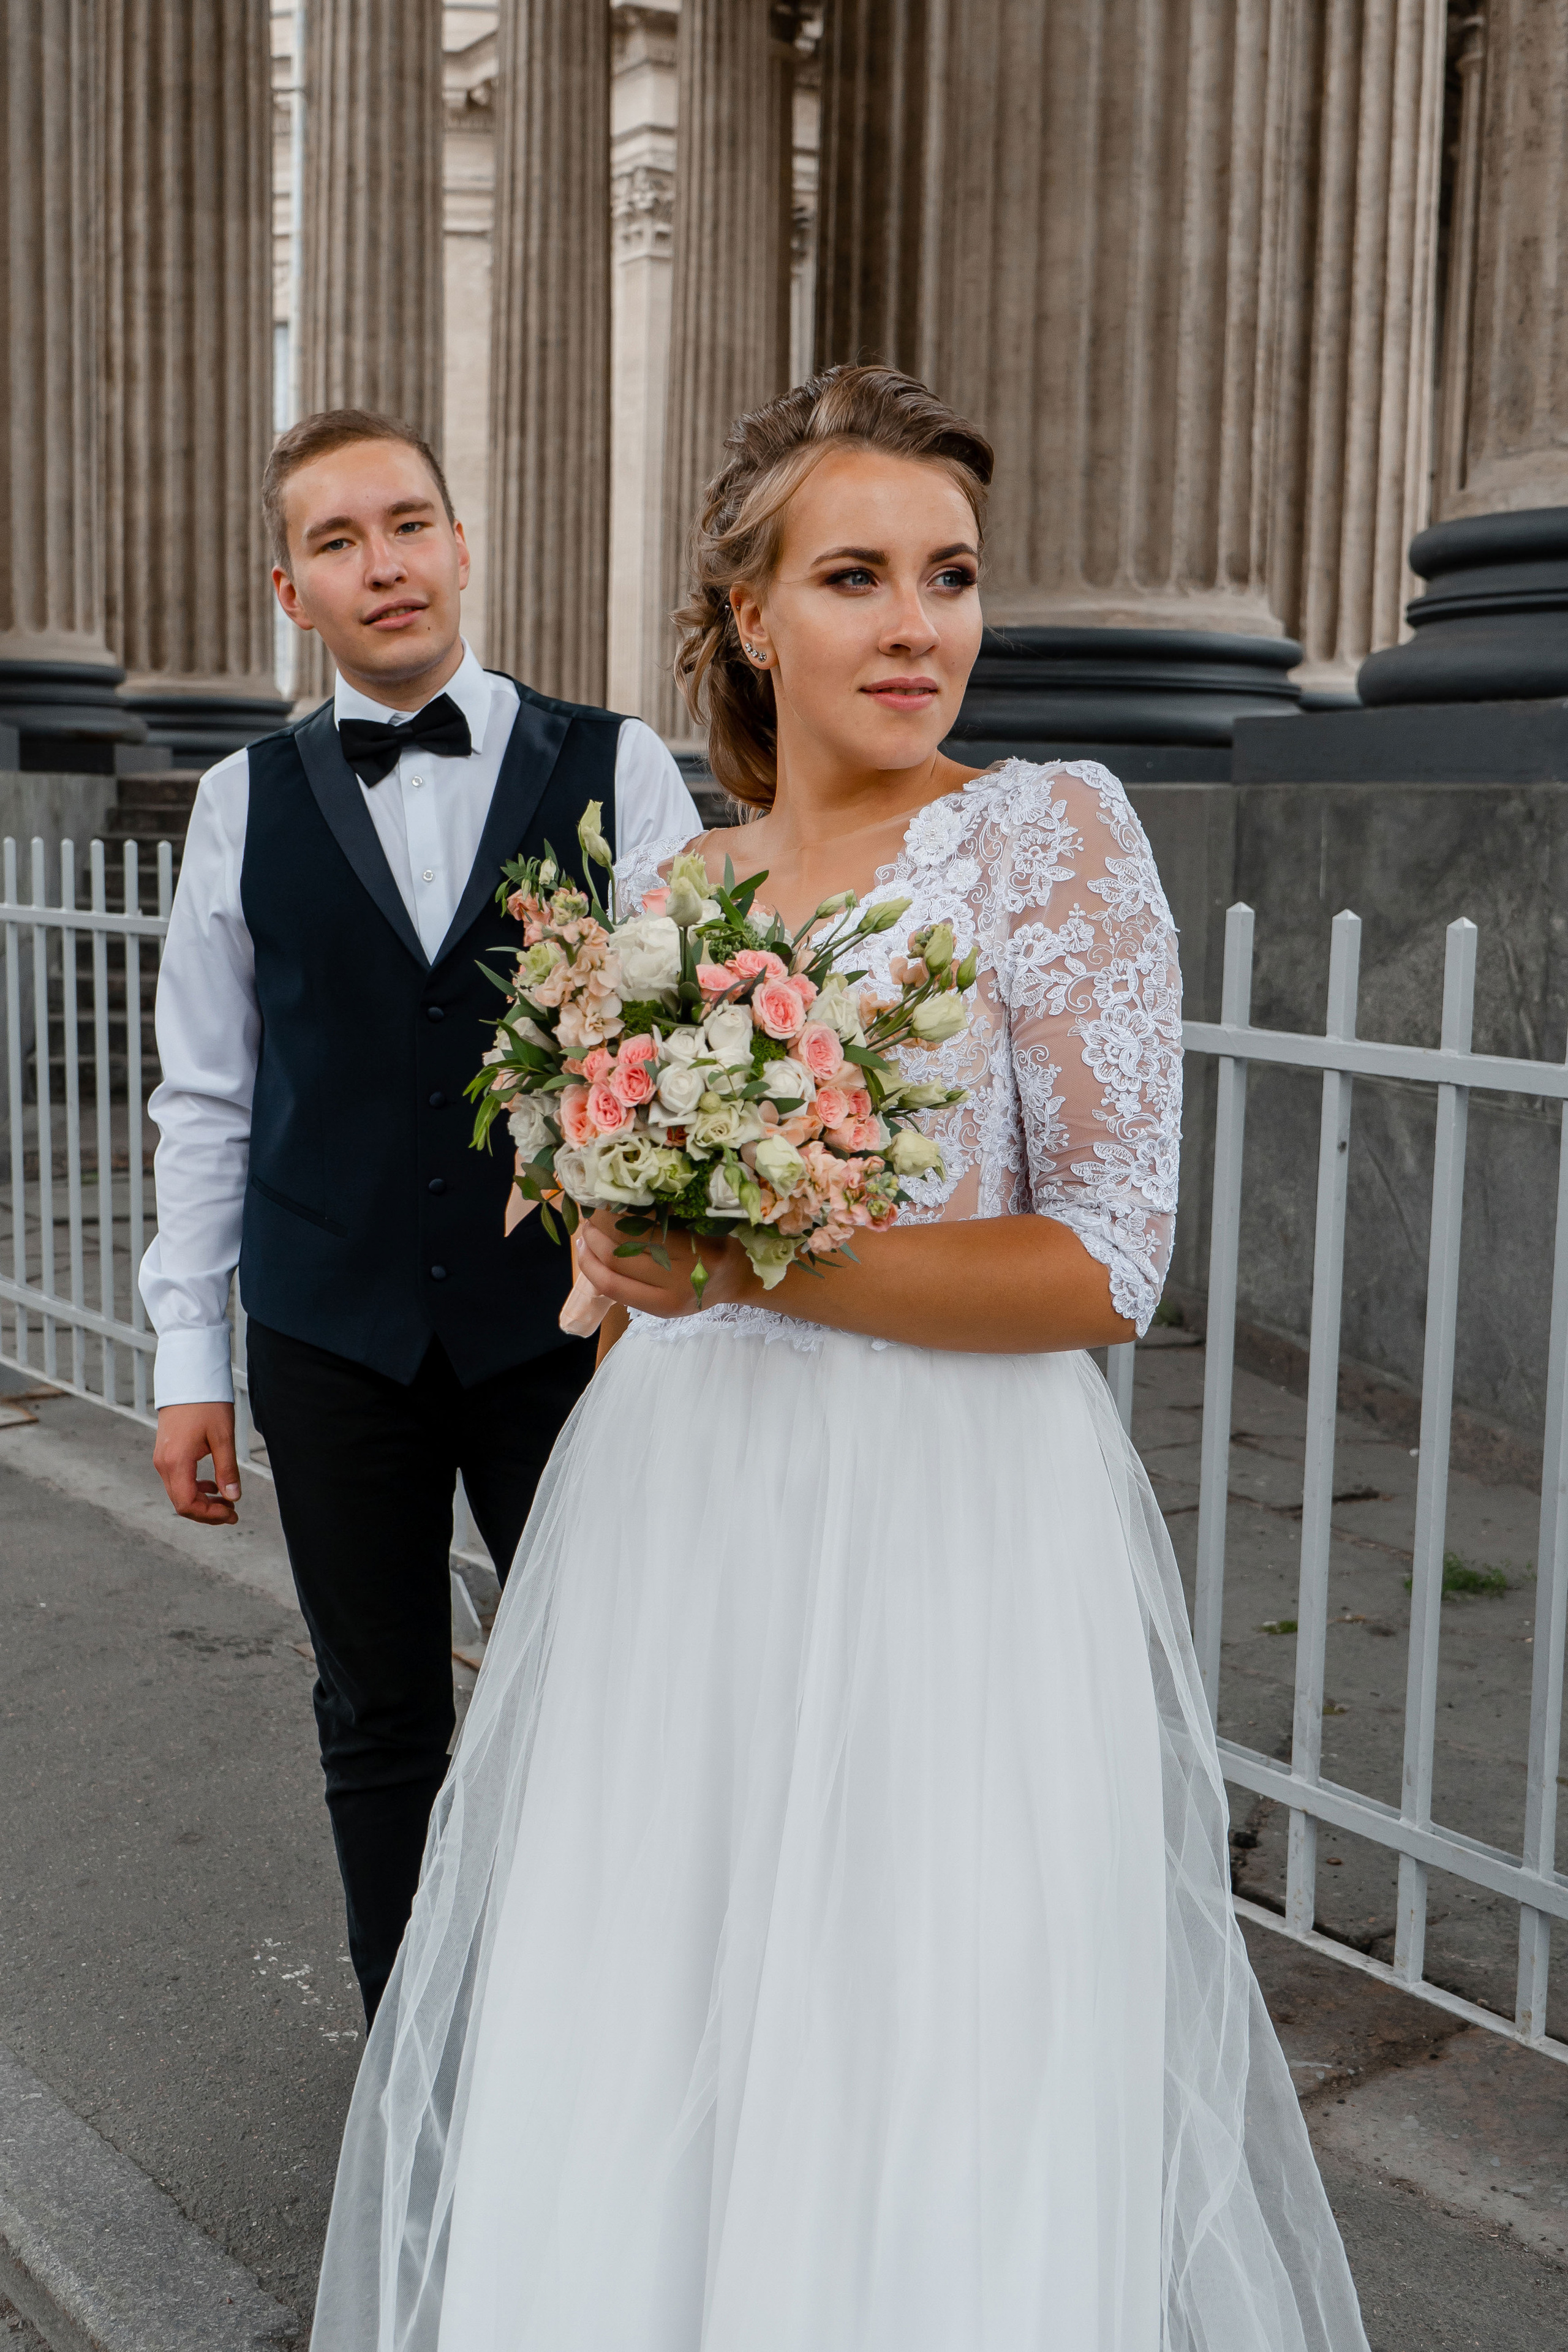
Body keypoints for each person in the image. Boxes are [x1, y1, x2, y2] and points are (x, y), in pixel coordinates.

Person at [310, 367, 1368, 2350]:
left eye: (950, 576)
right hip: (684, 1520)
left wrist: (754, 1266)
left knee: (919, 2024)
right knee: (665, 1994)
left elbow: (1106, 1262)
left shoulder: (1048, 839)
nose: (918, 627)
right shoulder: (679, 893)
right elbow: (644, 1239)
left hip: (946, 1529)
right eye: (857, 576)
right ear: (750, 616)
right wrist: (618, 1257)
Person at [139, 408, 701, 2026]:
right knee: (379, 1711)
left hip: (569, 1334)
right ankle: (411, 2045)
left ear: (461, 544)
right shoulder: (241, 801)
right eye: (336, 541)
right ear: (291, 589)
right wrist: (189, 1360)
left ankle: (597, 2034)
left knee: (605, 1692)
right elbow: (207, 1094)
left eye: (404, 524)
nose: (380, 564)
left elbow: (685, 1040)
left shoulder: (619, 765)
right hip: (331, 1329)